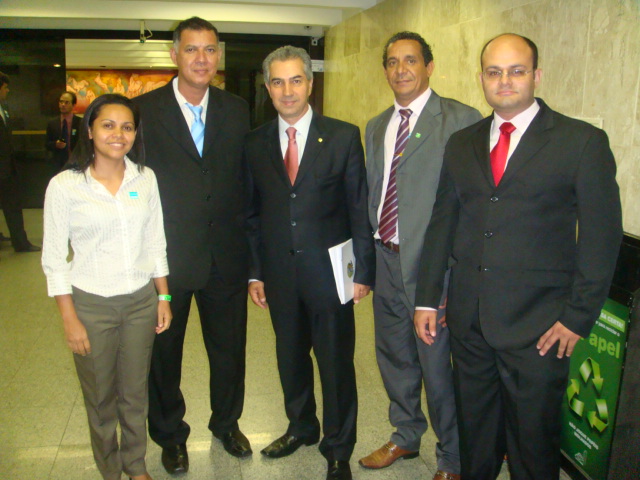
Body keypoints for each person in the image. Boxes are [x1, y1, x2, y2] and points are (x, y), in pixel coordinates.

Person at [413, 33, 623, 480]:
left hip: (540, 327)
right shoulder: (462, 143)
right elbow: (442, 223)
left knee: (532, 445)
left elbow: (601, 238)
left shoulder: (580, 142)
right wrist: (427, 298)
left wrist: (577, 317)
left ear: (536, 76)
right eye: (494, 72)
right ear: (482, 78)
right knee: (476, 437)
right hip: (470, 322)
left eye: (516, 71)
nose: (504, 81)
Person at [246, 46, 375, 480]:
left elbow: (358, 208)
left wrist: (363, 273)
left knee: (336, 363)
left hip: (331, 274)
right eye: (278, 82)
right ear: (268, 88)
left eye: (296, 80)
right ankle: (301, 427)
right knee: (290, 357)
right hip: (279, 275)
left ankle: (338, 446)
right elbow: (251, 214)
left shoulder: (342, 136)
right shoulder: (255, 142)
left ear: (310, 83)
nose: (287, 91)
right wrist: (255, 272)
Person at [358, 32, 481, 480]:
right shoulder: (377, 125)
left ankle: (453, 455)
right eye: (392, 62)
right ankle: (406, 434)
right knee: (394, 355)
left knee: (436, 365)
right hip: (386, 258)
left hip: (433, 267)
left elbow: (470, 202)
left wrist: (453, 272)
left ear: (429, 67)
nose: (401, 69)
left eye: (410, 60)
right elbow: (376, 193)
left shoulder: (461, 120)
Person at [133, 16, 252, 474]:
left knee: (229, 350)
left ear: (218, 55)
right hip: (167, 261)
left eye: (210, 49)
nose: (202, 59)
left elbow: (246, 181)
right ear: (173, 54)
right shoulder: (143, 111)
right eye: (191, 49)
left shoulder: (237, 109)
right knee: (164, 356)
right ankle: (170, 435)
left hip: (226, 256)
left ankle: (227, 423)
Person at [41, 93, 172, 480]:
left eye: (127, 127)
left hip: (140, 303)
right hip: (91, 306)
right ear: (90, 130)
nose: (119, 134)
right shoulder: (65, 186)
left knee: (134, 394)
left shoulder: (144, 179)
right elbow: (54, 259)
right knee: (101, 400)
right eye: (108, 125)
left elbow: (156, 242)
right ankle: (110, 470)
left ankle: (135, 466)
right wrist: (70, 319)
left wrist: (163, 296)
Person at [0, 71, 40, 253]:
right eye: (5, 87)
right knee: (12, 206)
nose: (7, 91)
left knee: (13, 206)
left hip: (7, 168)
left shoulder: (4, 109)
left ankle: (20, 242)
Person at [45, 91, 82, 170]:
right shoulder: (52, 123)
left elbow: (85, 143)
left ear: (73, 105)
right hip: (57, 164)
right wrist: (55, 144)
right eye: (61, 102)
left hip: (76, 163)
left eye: (66, 102)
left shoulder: (80, 123)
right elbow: (47, 144)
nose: (63, 105)